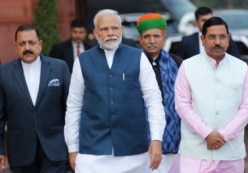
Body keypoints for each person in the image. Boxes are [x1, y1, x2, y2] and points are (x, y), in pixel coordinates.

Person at [64, 9, 166, 173]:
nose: (110, 33)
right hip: (93, 151)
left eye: (114, 28)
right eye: (104, 29)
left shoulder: (138, 57)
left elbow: (153, 100)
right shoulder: (82, 61)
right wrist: (72, 147)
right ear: (96, 33)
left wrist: (156, 139)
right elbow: (74, 106)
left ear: (121, 30)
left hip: (134, 150)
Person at [171, 16, 248, 173]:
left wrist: (224, 135)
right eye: (212, 37)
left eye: (222, 37)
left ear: (228, 38)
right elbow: (182, 105)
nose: (217, 42)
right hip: (195, 152)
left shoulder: (241, 68)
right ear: (202, 39)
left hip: (230, 152)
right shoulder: (188, 66)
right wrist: (207, 134)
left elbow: (247, 107)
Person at [0, 24, 70, 173]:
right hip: (20, 151)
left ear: (40, 44)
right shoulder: (3, 73)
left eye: (31, 43)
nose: (27, 47)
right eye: (22, 43)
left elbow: (70, 110)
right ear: (15, 46)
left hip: (55, 149)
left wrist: (74, 147)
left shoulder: (59, 68)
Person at [136, 13, 182, 173]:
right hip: (140, 139)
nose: (152, 41)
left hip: (173, 137)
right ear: (140, 39)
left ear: (164, 37)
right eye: (147, 37)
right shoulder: (132, 63)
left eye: (156, 36)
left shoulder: (177, 63)